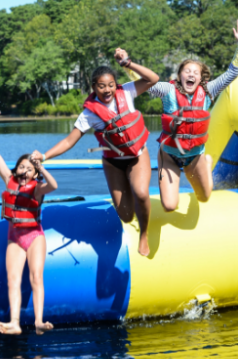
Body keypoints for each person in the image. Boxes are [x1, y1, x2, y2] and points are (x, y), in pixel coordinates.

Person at [120, 18, 238, 212]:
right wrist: (126, 64)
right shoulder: (167, 90)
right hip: (169, 155)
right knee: (170, 206)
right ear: (180, 75)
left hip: (195, 156)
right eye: (187, 71)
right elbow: (143, 82)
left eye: (195, 73)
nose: (191, 74)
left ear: (200, 78)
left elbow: (232, 73)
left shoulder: (209, 90)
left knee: (204, 197)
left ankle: (206, 163)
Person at [31, 59, 159, 256]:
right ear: (93, 87)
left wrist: (128, 63)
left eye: (110, 85)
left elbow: (153, 78)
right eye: (101, 86)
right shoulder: (89, 114)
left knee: (141, 193)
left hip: (137, 156)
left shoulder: (127, 92)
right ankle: (131, 199)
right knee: (125, 216)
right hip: (113, 163)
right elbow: (68, 141)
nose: (107, 90)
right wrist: (44, 156)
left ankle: (144, 234)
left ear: (116, 85)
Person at [0, 111, 57, 335]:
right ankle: (15, 322)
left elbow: (54, 185)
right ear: (15, 169)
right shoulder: (9, 178)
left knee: (36, 276)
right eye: (21, 167)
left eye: (29, 169)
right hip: (15, 238)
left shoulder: (38, 188)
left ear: (35, 172)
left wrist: (41, 167)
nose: (24, 171)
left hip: (34, 236)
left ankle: (38, 321)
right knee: (13, 279)